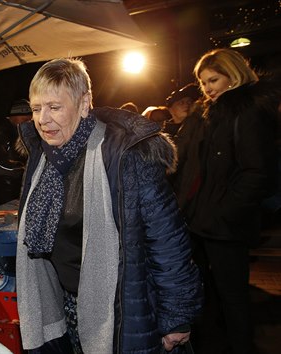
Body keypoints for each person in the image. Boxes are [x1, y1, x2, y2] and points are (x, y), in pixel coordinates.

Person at [15, 58, 203, 354]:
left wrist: (177, 317)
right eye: (36, 108)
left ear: (84, 103)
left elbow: (168, 241)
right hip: (65, 307)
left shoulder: (126, 156)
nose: (42, 119)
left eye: (54, 107)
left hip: (122, 311)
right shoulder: (41, 157)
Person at [187, 48, 279, 353]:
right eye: (203, 82)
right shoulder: (214, 113)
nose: (207, 87)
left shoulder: (248, 111)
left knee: (233, 298)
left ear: (234, 75)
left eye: (214, 79)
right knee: (210, 295)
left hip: (225, 225)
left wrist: (223, 214)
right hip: (205, 223)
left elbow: (256, 172)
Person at [0, 99, 31, 206]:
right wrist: (23, 170)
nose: (30, 121)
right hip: (6, 196)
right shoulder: (0, 137)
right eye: (25, 119)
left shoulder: (31, 137)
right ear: (13, 118)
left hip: (25, 194)